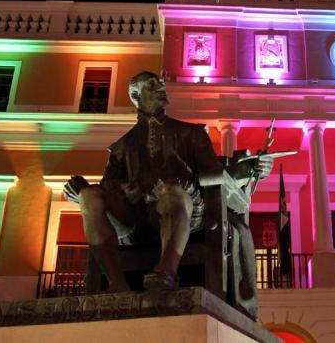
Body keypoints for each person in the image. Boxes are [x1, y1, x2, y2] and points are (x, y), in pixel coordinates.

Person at [63, 71, 273, 317]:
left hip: (183, 214)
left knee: (171, 191)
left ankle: (166, 272)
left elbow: (216, 173)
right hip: (137, 221)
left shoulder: (192, 134)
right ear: (135, 95)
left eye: (161, 82)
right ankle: (116, 284)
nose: (162, 85)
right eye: (153, 83)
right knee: (90, 197)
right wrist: (84, 192)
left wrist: (248, 169)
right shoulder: (121, 147)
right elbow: (108, 189)